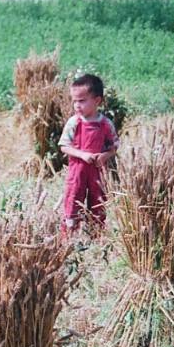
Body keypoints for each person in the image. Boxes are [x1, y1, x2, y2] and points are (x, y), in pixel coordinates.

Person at [58, 73, 119, 237]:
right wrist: (82, 154)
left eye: (82, 101)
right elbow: (64, 146)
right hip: (77, 171)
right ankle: (68, 237)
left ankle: (96, 236)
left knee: (98, 202)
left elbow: (114, 146)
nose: (77, 105)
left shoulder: (105, 124)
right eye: (74, 101)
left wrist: (104, 156)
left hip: (98, 171)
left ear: (97, 101)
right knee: (72, 200)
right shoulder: (74, 122)